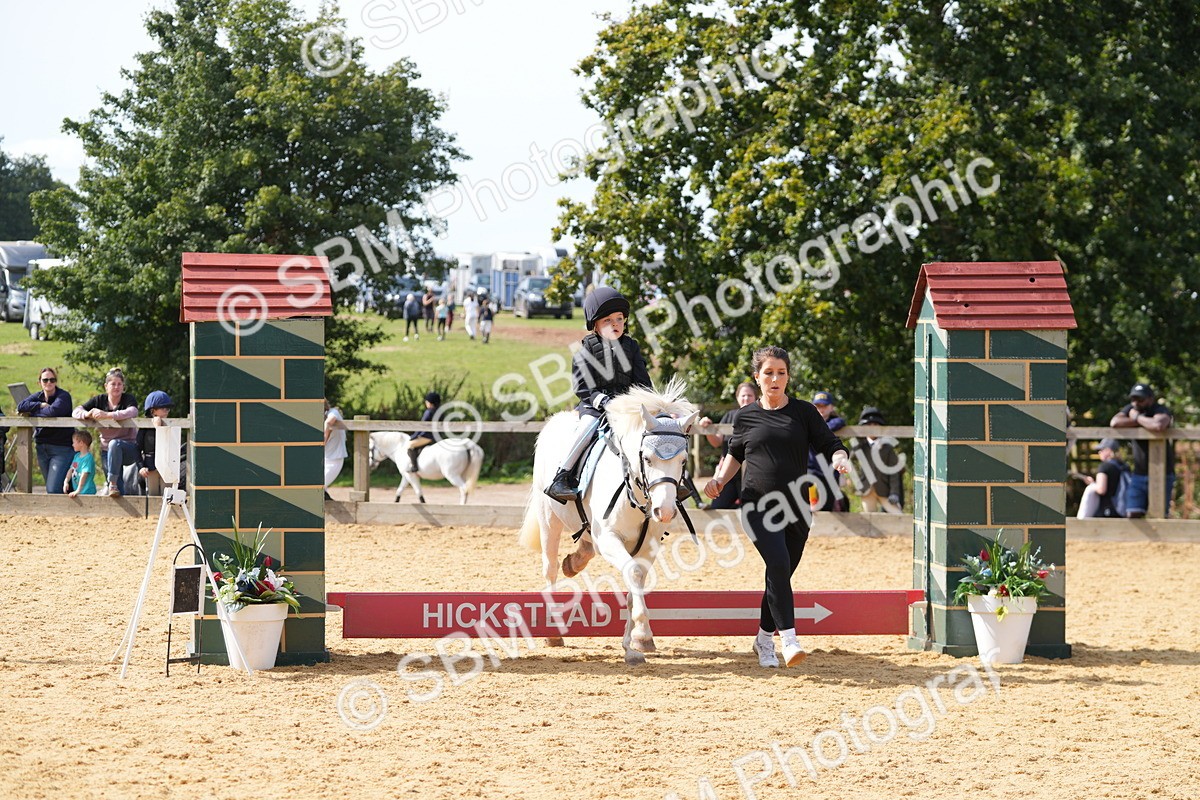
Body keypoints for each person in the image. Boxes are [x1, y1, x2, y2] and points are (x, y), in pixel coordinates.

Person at [703, 346, 850, 669]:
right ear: (757, 377)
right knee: (779, 564)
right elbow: (735, 454)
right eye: (768, 373)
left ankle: (762, 639)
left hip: (797, 507)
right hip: (758, 506)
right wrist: (720, 481)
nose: (775, 379)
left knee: (778, 574)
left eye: (781, 373)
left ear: (788, 377)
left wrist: (840, 457)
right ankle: (789, 640)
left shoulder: (804, 412)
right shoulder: (745, 416)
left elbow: (830, 444)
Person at [546, 286, 652, 503]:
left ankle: (677, 480)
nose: (615, 324)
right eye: (608, 320)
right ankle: (562, 476)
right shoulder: (586, 351)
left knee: (657, 430)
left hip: (626, 406)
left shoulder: (631, 347)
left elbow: (643, 382)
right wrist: (602, 401)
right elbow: (582, 387)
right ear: (595, 325)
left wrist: (644, 402)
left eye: (619, 319)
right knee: (587, 428)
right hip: (594, 405)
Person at [1109, 383, 1175, 517]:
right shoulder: (1131, 408)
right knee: (1132, 513)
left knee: (1160, 515)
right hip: (1138, 473)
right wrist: (1144, 422)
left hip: (1163, 473)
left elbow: (1158, 425)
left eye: (1140, 399)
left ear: (1151, 399)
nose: (1136, 402)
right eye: (1133, 399)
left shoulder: (1159, 409)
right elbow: (1115, 422)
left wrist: (1137, 418)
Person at [72, 368, 139, 497]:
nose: (116, 387)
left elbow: (133, 411)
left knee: (115, 444)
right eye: (113, 384)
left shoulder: (128, 399)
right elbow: (76, 411)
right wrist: (88, 414)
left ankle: (112, 484)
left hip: (128, 447)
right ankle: (115, 491)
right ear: (106, 386)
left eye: (119, 384)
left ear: (123, 386)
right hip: (107, 451)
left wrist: (108, 415)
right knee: (117, 491)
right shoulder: (99, 400)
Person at [697, 382, 758, 510]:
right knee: (718, 507)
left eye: (749, 395)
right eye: (743, 395)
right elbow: (716, 442)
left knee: (750, 510)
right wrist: (708, 429)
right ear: (737, 397)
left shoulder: (761, 416)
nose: (746, 398)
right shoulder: (730, 416)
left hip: (751, 475)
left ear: (755, 397)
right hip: (728, 474)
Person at [16, 367, 75, 494]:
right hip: (42, 448)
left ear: (56, 382)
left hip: (61, 448)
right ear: (39, 382)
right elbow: (20, 406)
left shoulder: (63, 396)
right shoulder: (38, 397)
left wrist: (33, 413)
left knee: (53, 489)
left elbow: (52, 412)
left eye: (52, 380)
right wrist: (40, 405)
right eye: (45, 380)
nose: (49, 382)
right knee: (58, 488)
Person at [849, 406, 904, 513]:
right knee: (869, 518)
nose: (872, 428)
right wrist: (856, 480)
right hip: (867, 490)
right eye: (868, 425)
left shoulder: (887, 447)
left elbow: (894, 472)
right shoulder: (860, 445)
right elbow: (850, 460)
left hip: (885, 489)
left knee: (897, 515)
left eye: (875, 424)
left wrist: (894, 492)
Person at [136, 391, 185, 494]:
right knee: (152, 494)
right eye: (163, 408)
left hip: (167, 466)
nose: (167, 411)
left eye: (168, 409)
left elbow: (172, 445)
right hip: (151, 467)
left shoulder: (171, 425)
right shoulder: (144, 428)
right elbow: (137, 447)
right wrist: (141, 467)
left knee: (168, 495)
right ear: (153, 411)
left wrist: (160, 428)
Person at [807, 390, 848, 511]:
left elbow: (839, 421)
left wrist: (818, 430)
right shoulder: (807, 421)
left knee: (827, 506)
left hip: (830, 471)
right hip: (811, 470)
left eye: (824, 406)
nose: (821, 409)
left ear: (831, 407)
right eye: (818, 406)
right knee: (809, 505)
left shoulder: (835, 422)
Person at [1077, 438, 1127, 519]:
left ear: (1108, 450)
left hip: (1107, 510)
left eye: (1101, 450)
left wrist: (1092, 484)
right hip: (1123, 509)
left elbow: (1101, 489)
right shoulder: (1124, 466)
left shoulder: (1104, 466)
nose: (1099, 452)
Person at [407, 391, 441, 473]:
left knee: (409, 445)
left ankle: (414, 467)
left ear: (430, 402)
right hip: (437, 436)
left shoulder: (429, 412)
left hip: (428, 437)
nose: (426, 403)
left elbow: (422, 426)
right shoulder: (440, 412)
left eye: (427, 401)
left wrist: (414, 436)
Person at [323, 399, 347, 499]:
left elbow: (330, 421)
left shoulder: (333, 412)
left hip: (334, 460)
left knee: (317, 487)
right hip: (324, 459)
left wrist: (324, 438)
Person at [64, 429, 97, 497]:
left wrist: (78, 490)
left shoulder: (88, 458)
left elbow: (84, 474)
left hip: (87, 491)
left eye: (74, 442)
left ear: (81, 443)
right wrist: (66, 482)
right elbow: (71, 469)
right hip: (79, 491)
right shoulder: (76, 456)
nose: (72, 445)